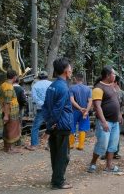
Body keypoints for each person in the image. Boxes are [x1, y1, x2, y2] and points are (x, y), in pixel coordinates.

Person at [42, 58, 73, 190]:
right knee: (63, 155)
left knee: (55, 154)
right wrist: (51, 126)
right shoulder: (63, 88)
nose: (71, 70)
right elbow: (57, 109)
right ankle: (58, 182)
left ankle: (56, 178)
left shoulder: (52, 86)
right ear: (66, 71)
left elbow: (45, 107)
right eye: (70, 68)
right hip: (61, 125)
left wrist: (49, 123)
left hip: (54, 125)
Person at [87, 66, 122, 174]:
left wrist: (119, 114)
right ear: (107, 75)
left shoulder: (112, 86)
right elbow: (97, 106)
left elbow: (116, 101)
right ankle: (92, 163)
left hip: (115, 122)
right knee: (102, 144)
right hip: (105, 121)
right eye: (113, 74)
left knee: (113, 144)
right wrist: (103, 122)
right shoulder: (98, 88)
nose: (114, 76)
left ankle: (108, 166)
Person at [26, 71, 52, 151]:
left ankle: (34, 145)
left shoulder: (35, 85)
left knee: (35, 127)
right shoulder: (51, 84)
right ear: (47, 76)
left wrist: (42, 104)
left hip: (41, 109)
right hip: (51, 108)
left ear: (39, 77)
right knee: (51, 126)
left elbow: (35, 98)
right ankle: (50, 145)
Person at [0, 69, 21, 153]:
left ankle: (6, 147)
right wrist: (6, 115)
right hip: (10, 112)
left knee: (7, 129)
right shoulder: (9, 87)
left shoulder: (3, 85)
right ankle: (10, 149)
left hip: (5, 110)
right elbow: (7, 102)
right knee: (12, 129)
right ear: (14, 77)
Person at [69, 73, 92, 150]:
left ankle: (71, 144)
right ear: (82, 79)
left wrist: (79, 108)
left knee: (72, 126)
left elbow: (72, 100)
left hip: (74, 111)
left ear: (75, 79)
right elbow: (90, 101)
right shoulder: (88, 89)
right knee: (83, 127)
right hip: (84, 111)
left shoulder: (72, 88)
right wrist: (86, 110)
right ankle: (81, 145)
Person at [114, 75, 124, 159]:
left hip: (117, 116)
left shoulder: (122, 93)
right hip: (108, 116)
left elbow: (123, 105)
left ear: (116, 82)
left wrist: (120, 114)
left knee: (116, 134)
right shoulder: (108, 91)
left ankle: (116, 152)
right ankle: (107, 152)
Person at [13, 78, 27, 146]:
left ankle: (10, 141)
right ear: (18, 81)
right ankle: (18, 141)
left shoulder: (9, 87)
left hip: (9, 109)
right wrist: (24, 105)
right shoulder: (21, 89)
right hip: (19, 109)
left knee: (11, 124)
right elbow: (24, 100)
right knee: (18, 124)